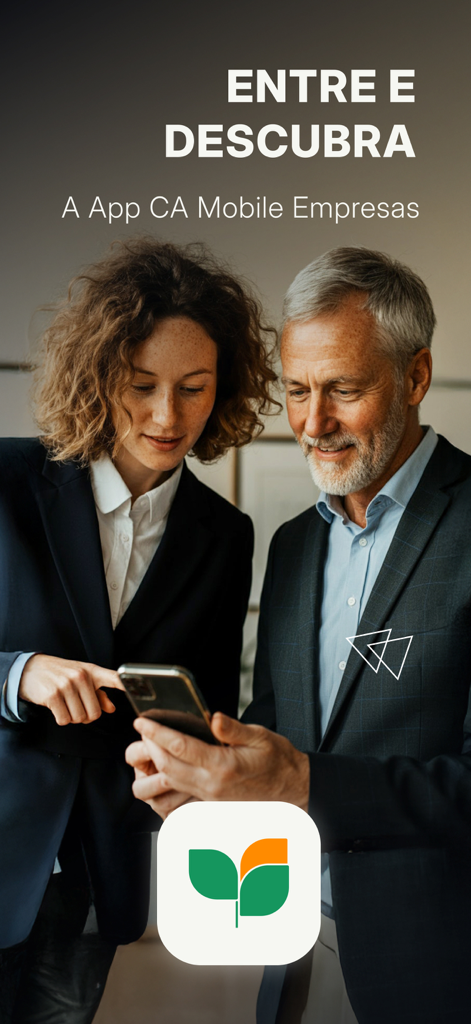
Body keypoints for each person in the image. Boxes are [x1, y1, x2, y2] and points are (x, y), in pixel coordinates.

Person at [127, 247, 471, 1024]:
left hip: (439, 971)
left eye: (343, 390)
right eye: (296, 391)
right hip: (289, 953)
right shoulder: (290, 546)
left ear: (414, 378)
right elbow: (278, 746)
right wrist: (209, 789)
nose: (312, 424)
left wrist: (301, 782)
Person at [0, 237, 278, 1023]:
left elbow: (210, 701)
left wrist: (196, 766)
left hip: (102, 873)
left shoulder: (224, 535)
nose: (167, 416)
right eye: (142, 385)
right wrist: (16, 673)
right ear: (99, 375)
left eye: (194, 389)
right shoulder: (7, 482)